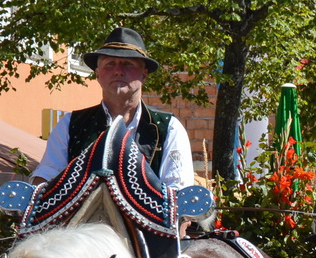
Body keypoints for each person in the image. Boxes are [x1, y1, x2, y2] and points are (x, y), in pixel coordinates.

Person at [30, 27, 196, 188]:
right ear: (98, 74)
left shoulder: (168, 128)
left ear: (144, 74)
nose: (118, 71)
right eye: (110, 64)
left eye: (128, 64)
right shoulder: (70, 124)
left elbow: (178, 191)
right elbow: (47, 177)